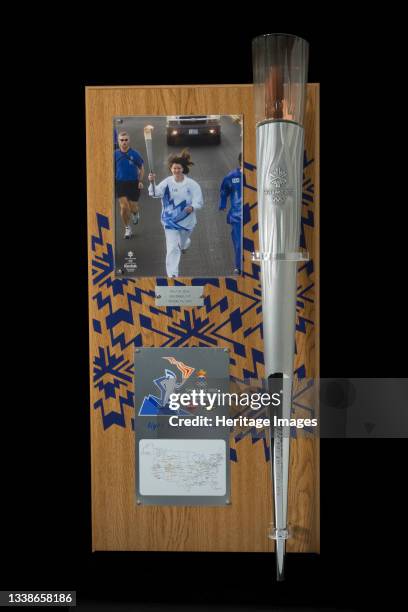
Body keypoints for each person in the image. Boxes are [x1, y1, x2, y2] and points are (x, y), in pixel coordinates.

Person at [148, 149, 203, 277]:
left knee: (182, 243)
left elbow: (199, 201)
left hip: (187, 222)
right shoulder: (167, 182)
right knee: (172, 247)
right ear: (171, 169)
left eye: (179, 168)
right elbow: (155, 193)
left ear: (183, 169)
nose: (176, 170)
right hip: (170, 221)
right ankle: (172, 275)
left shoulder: (192, 184)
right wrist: (152, 182)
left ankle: (185, 243)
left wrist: (193, 207)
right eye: (174, 168)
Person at [114, 130, 144, 239]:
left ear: (129, 141)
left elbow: (141, 168)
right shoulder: (115, 154)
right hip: (120, 183)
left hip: (133, 183)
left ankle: (135, 214)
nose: (124, 142)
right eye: (122, 140)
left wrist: (140, 181)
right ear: (118, 141)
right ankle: (127, 228)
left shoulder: (134, 154)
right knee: (123, 207)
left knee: (133, 208)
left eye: (126, 140)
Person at [219, 153, 243, 274]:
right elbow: (224, 191)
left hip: (257, 216)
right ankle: (239, 268)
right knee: (239, 243)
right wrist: (222, 204)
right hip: (238, 216)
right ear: (241, 161)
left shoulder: (259, 175)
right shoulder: (232, 177)